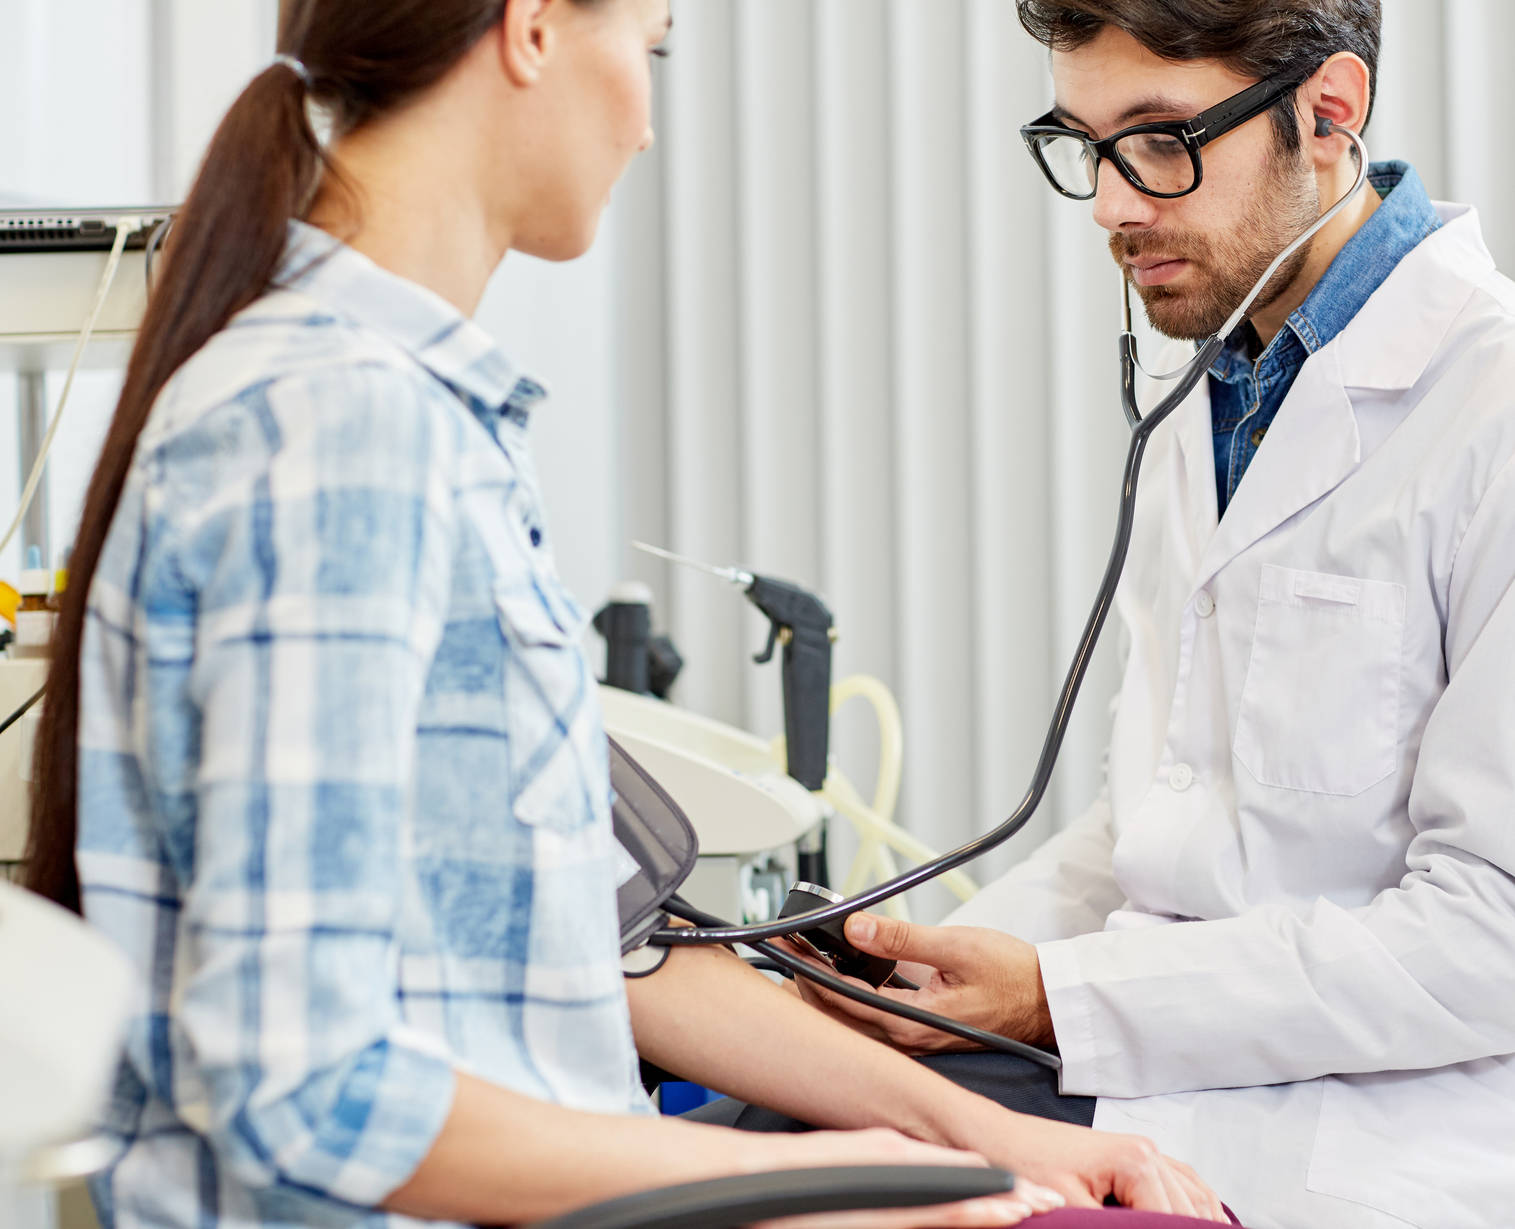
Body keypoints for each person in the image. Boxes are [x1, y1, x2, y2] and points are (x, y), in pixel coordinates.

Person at [19, 3, 1228, 1228]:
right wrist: (807, 1183)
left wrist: (976, 1134)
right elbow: (309, 1089)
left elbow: (602, 941)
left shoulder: (418, 418)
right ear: (534, 29)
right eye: (646, 52)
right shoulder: (338, 428)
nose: (647, 127)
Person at [785, 3, 1515, 1227]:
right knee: (797, 1115)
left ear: (1328, 113)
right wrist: (930, 971)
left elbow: (1496, 943)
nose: (1112, 206)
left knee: (805, 1170)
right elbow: (1159, 815)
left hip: (1438, 1115)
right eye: (1086, 145)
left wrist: (1053, 995)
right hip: (1208, 1058)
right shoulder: (1221, 392)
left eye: (1159, 140)